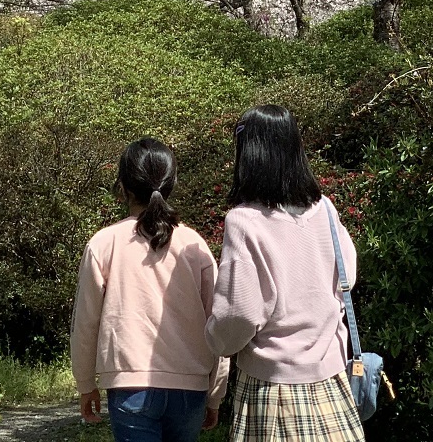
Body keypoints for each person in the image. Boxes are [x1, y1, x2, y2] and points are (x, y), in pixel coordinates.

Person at [206, 105, 364, 442]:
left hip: (273, 391)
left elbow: (240, 314)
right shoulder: (325, 207)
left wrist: (214, 340)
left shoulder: (244, 221)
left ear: (249, 154)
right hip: (332, 381)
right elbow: (346, 275)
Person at [72, 137, 229, 442]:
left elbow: (86, 323)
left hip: (130, 386)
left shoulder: (104, 243)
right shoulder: (195, 245)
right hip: (190, 388)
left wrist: (85, 383)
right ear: (170, 184)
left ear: (124, 187)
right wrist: (215, 392)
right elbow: (218, 323)